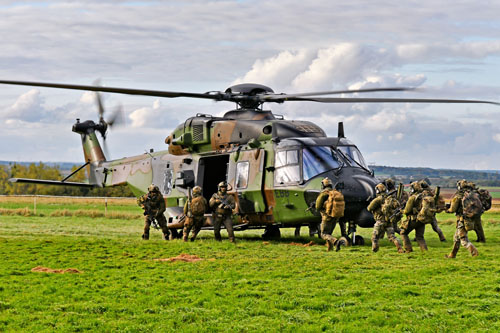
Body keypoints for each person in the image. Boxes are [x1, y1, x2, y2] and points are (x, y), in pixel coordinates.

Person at [445, 180, 480, 258]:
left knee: (463, 240)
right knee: (456, 238)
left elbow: (452, 209)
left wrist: (447, 210)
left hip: (462, 220)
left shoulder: (458, 196)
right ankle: (452, 255)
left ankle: (474, 253)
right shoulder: (471, 195)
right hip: (469, 219)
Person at [367, 183, 404, 253]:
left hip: (380, 221)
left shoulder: (378, 199)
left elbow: (369, 208)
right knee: (392, 237)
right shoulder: (390, 198)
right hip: (389, 221)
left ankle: (375, 250)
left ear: (378, 191)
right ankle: (400, 248)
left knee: (374, 237)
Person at [315, 177, 347, 251]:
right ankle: (330, 249)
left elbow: (318, 206)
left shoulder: (324, 194)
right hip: (335, 216)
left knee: (323, 234)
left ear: (324, 185)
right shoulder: (336, 193)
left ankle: (335, 242)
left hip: (327, 216)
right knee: (328, 233)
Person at [400, 181, 428, 252]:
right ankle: (425, 251)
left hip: (413, 220)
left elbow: (407, 211)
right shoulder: (424, 196)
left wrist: (401, 211)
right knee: (420, 237)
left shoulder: (412, 198)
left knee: (403, 233)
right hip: (422, 219)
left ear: (413, 189)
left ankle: (408, 249)